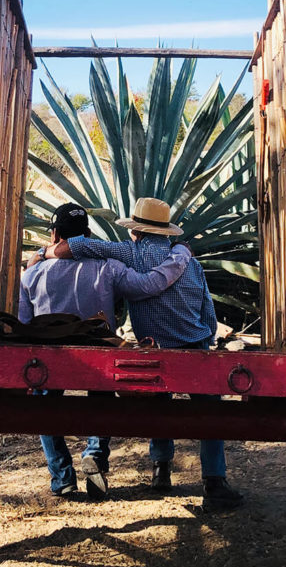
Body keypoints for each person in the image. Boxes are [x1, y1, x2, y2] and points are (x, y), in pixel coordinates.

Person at [44, 196, 245, 510]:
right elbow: (207, 309)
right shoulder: (188, 261)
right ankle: (215, 482)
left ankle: (161, 470)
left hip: (155, 349)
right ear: (166, 232)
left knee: (159, 406)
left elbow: (80, 246)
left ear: (135, 231)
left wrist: (46, 251)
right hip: (193, 347)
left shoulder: (129, 252)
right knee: (210, 413)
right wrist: (204, 342)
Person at [21, 202, 191, 501]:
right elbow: (146, 287)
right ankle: (95, 455)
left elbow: (23, 322)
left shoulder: (32, 275)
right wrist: (180, 255)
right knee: (101, 395)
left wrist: (38, 256)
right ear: (86, 235)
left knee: (42, 405)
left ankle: (62, 478)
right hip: (97, 353)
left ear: (55, 234)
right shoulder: (109, 267)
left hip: (50, 354)